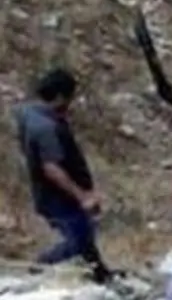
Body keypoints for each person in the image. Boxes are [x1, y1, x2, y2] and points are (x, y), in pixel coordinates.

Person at [13, 68, 119, 284]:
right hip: (58, 197)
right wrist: (82, 196)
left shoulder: (29, 113)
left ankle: (101, 274)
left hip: (50, 193)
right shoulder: (46, 128)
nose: (71, 103)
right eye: (70, 97)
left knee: (84, 235)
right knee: (79, 239)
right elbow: (51, 168)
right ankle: (39, 266)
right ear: (60, 96)